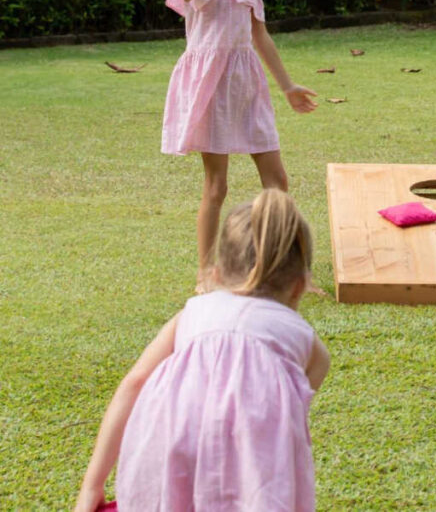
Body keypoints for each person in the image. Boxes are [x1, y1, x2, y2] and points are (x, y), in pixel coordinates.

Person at [74, 189, 330, 512]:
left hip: (170, 448)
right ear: (299, 286)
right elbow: (293, 407)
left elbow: (135, 383)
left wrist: (90, 488)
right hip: (252, 476)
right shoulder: (303, 337)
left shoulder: (193, 313)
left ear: (216, 274)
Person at [146, 0, 317, 291]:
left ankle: (294, 270)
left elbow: (260, 37)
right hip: (212, 90)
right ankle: (207, 274)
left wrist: (288, 86)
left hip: (247, 86)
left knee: (278, 180)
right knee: (216, 186)